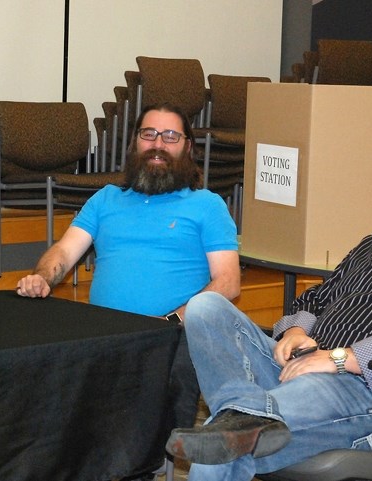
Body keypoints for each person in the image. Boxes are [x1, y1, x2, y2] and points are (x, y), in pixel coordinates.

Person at [165, 146, 372, 480]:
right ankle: (243, 413)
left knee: (220, 446)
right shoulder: (370, 248)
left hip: (369, 396)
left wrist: (339, 359)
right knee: (205, 308)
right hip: (300, 367)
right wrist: (295, 333)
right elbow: (315, 298)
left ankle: (239, 419)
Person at [16, 103, 241, 434]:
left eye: (170, 136)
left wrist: (169, 322)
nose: (158, 145)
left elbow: (228, 283)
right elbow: (64, 251)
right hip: (102, 332)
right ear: (135, 142)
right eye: (149, 134)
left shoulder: (206, 205)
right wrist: (42, 277)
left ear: (187, 147)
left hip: (169, 335)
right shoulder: (106, 199)